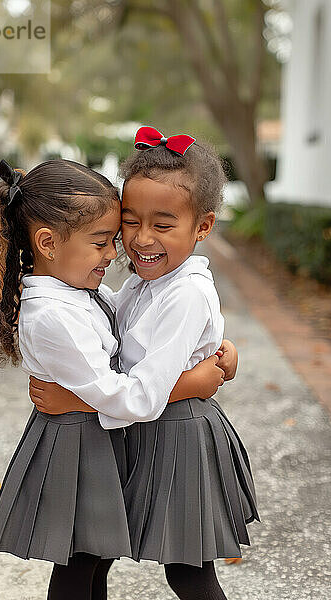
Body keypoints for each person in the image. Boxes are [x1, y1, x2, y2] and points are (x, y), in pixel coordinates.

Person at [0, 157, 233, 600]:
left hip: (109, 431)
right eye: (104, 239)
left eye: (112, 239)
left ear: (202, 227)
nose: (116, 252)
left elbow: (144, 333)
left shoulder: (84, 292)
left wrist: (215, 346)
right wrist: (195, 378)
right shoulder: (58, 310)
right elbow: (126, 387)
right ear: (48, 243)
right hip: (80, 441)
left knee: (105, 560)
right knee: (84, 560)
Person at [29, 127, 260, 600]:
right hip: (146, 428)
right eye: (130, 222)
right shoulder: (144, 282)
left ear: (203, 227)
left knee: (188, 570)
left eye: (163, 224)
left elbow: (147, 392)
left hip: (178, 432)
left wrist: (74, 397)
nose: (140, 239)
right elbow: (114, 322)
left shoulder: (185, 292)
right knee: (95, 552)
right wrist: (219, 346)